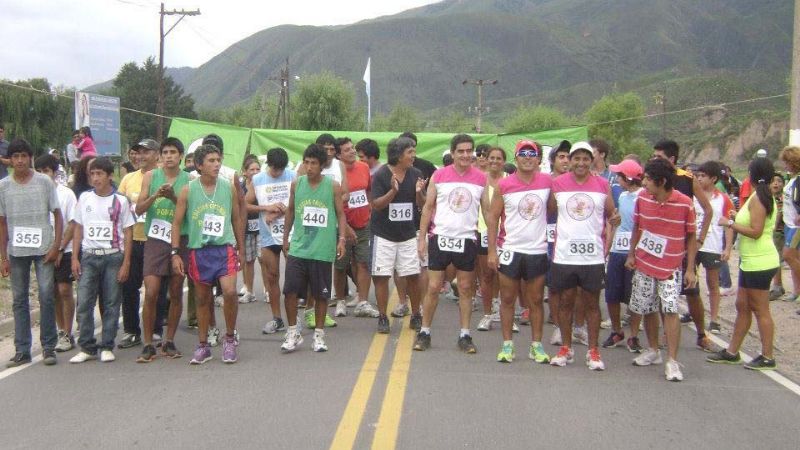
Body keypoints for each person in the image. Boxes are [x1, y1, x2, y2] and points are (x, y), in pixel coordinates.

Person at [626, 158, 697, 381]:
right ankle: (653, 350)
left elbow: (691, 235)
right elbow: (637, 226)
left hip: (671, 268)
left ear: (662, 181)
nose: (644, 182)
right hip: (644, 265)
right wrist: (631, 254)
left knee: (670, 310)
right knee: (647, 308)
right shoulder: (642, 199)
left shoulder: (685, 203)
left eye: (648, 178)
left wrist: (691, 269)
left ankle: (672, 361)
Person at [548, 141, 617, 371]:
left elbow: (611, 213)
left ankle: (593, 351)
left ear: (592, 160)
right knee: (565, 302)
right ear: (569, 160)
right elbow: (549, 211)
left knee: (591, 304)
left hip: (592, 256)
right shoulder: (557, 184)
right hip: (564, 255)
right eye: (575, 158)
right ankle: (566, 348)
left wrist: (613, 226)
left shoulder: (602, 184)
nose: (580, 163)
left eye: (585, 158)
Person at [171, 144, 244, 364]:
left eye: (218, 160)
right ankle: (203, 346)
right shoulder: (188, 190)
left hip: (224, 248)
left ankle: (229, 339)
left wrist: (239, 246)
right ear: (199, 165)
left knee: (230, 292)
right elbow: (176, 222)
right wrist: (175, 252)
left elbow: (236, 218)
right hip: (199, 251)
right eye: (211, 161)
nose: (216, 164)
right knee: (203, 298)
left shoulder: (228, 187)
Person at [414, 134, 486, 354]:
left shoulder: (480, 178)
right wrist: (422, 238)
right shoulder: (439, 175)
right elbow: (428, 207)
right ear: (453, 153)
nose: (465, 155)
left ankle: (465, 334)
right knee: (434, 287)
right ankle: (424, 331)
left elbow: (489, 212)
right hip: (440, 238)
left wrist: (492, 244)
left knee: (465, 288)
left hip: (466, 239)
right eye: (461, 151)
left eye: (468, 151)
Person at [707, 157, 780, 370]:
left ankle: (767, 356)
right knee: (743, 306)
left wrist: (730, 222)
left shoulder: (759, 198)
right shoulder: (760, 196)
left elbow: (756, 231)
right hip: (751, 261)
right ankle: (732, 351)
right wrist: (737, 217)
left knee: (760, 309)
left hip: (760, 261)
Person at [486, 141, 552, 363]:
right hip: (510, 249)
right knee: (507, 299)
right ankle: (507, 346)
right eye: (522, 154)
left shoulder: (547, 182)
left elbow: (553, 209)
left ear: (538, 159)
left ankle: (536, 346)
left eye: (531, 154)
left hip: (537, 249)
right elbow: (493, 217)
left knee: (535, 300)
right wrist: (492, 251)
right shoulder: (504, 185)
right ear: (516, 158)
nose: (527, 158)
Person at [0, 139, 62, 367]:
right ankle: (22, 349)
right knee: (19, 300)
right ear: (9, 160)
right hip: (16, 251)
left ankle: (48, 347)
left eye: (23, 156)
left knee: (46, 295)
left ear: (30, 158)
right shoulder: (4, 186)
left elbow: (57, 214)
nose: (19, 161)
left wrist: (56, 246)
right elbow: (2, 223)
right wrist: (3, 257)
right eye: (15, 156)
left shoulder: (44, 182)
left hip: (43, 248)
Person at [280, 144, 347, 353]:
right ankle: (293, 332)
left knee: (321, 294)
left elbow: (341, 214)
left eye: (314, 163)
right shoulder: (296, 184)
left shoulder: (332, 186)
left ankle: (319, 335)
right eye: (306, 162)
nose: (309, 167)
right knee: (290, 291)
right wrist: (285, 238)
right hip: (299, 248)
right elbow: (290, 211)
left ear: (322, 166)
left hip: (322, 250)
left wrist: (342, 238)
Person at [651, 140, 714, 352]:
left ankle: (701, 334)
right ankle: (667, 333)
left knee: (692, 291)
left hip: (684, 246)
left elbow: (708, 209)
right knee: (661, 292)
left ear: (672, 159)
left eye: (659, 157)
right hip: (660, 245)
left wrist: (700, 239)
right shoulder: (653, 178)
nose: (655, 160)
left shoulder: (687, 179)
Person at [69, 157, 133, 363]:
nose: (95, 178)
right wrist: (75, 258)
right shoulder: (84, 198)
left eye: (99, 174)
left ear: (109, 176)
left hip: (113, 256)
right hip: (89, 256)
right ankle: (87, 346)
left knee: (112, 302)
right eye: (92, 174)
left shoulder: (120, 201)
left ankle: (107, 344)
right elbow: (78, 228)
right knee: (84, 303)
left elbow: (128, 231)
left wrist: (126, 262)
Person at [133, 137, 190, 362]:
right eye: (165, 152)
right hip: (155, 238)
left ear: (181, 156)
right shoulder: (150, 176)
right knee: (152, 291)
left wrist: (173, 197)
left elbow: (190, 210)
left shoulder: (189, 180)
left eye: (173, 152)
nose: (168, 156)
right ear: (159, 156)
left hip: (180, 239)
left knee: (175, 291)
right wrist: (157, 195)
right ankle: (148, 344)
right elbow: (138, 209)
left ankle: (169, 340)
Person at [370, 137, 427, 333]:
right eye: (410, 152)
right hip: (383, 234)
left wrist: (419, 192)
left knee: (412, 275)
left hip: (408, 234)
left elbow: (421, 204)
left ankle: (416, 314)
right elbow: (376, 204)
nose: (413, 156)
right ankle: (383, 316)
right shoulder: (380, 175)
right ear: (398, 155)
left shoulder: (416, 174)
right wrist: (393, 191)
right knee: (381, 276)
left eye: (414, 152)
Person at [116, 138, 160, 349]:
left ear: (157, 155)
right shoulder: (128, 179)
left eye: (146, 152)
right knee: (129, 287)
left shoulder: (162, 177)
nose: (141, 156)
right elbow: (119, 210)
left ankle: (157, 329)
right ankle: (132, 330)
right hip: (133, 240)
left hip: (156, 240)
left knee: (156, 289)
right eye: (138, 152)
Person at [248, 147, 295, 334]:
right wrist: (266, 208)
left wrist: (282, 210)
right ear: (268, 165)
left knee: (294, 278)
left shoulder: (292, 176)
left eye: (281, 169)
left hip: (290, 234)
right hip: (268, 236)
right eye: (275, 169)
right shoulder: (258, 179)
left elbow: (300, 202)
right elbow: (245, 204)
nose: (278, 173)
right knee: (272, 276)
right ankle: (277, 318)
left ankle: (295, 318)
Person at [33, 154, 78, 353]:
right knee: (51, 293)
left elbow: (72, 223)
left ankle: (68, 331)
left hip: (64, 250)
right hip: (43, 251)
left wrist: (60, 247)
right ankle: (61, 330)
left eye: (47, 171)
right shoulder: (33, 193)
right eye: (40, 171)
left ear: (54, 172)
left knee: (64, 290)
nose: (44, 175)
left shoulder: (66, 194)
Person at [602, 158, 643, 350]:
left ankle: (634, 335)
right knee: (612, 294)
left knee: (633, 296)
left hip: (634, 252)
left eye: (619, 175)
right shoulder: (623, 196)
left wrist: (633, 252)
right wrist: (609, 246)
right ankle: (617, 331)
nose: (617, 178)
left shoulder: (644, 197)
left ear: (628, 177)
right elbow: (617, 221)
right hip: (618, 250)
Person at [333, 138, 376, 319]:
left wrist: (370, 210)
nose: (352, 152)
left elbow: (368, 191)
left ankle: (363, 301)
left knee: (364, 262)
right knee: (341, 264)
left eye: (352, 148)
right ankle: (341, 300)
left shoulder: (364, 167)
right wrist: (345, 227)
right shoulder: (335, 173)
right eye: (347, 150)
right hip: (343, 226)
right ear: (338, 155)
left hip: (364, 224)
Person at [692, 161, 734, 334]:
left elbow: (728, 224)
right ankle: (692, 311)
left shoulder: (722, 199)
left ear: (714, 178)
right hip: (694, 244)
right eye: (698, 175)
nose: (699, 179)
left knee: (713, 283)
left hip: (712, 245)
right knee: (691, 282)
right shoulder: (693, 196)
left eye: (703, 176)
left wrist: (728, 248)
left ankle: (714, 319)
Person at [477, 147, 507, 332]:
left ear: (504, 161)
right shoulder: (480, 180)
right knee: (487, 275)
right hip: (483, 231)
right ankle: (487, 314)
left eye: (499, 158)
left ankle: (504, 313)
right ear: (487, 160)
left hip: (506, 234)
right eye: (491, 158)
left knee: (505, 277)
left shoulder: (510, 180)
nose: (495, 161)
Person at [545, 140, 570, 345]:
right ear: (552, 161)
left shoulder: (582, 181)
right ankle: (557, 325)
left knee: (575, 288)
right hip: (549, 238)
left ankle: (576, 326)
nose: (566, 160)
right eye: (561, 156)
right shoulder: (545, 182)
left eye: (568, 156)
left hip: (573, 240)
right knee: (553, 286)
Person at [238, 155, 262, 304]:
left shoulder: (263, 185)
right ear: (244, 172)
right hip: (246, 228)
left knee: (264, 259)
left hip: (262, 227)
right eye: (251, 169)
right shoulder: (240, 188)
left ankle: (267, 291)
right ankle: (249, 290)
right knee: (248, 260)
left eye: (258, 169)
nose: (255, 172)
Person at [778, 146, 800, 302]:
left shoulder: (798, 179)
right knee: (795, 258)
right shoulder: (791, 179)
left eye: (787, 161)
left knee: (788, 255)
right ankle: (796, 291)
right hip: (788, 223)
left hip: (795, 225)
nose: (785, 165)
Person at [769, 173, 786, 300]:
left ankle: (777, 286)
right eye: (773, 181)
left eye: (779, 181)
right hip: (774, 231)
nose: (776, 183)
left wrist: (774, 227)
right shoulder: (769, 197)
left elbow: (779, 214)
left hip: (779, 232)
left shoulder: (782, 199)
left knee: (777, 259)